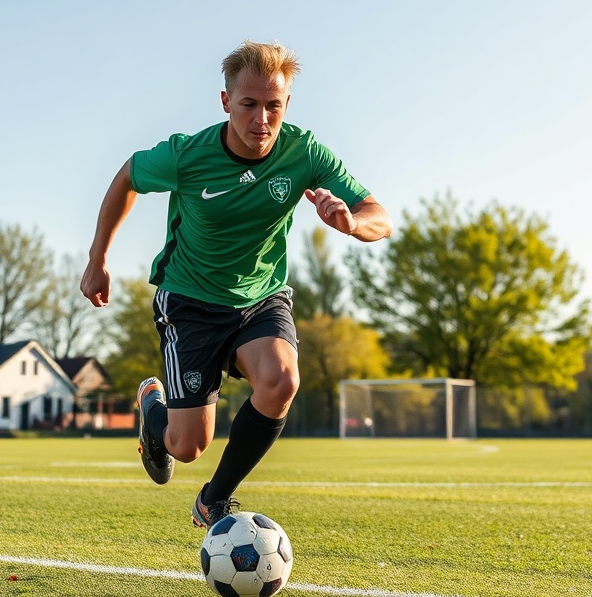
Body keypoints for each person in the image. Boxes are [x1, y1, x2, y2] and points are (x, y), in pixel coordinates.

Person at [80, 40, 392, 528]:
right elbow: (127, 178)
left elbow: (381, 217)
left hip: (261, 298)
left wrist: (352, 223)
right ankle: (155, 412)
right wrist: (98, 259)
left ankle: (214, 500)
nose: (262, 119)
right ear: (226, 102)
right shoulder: (187, 156)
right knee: (187, 446)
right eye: (249, 104)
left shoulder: (304, 152)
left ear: (287, 104)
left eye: (274, 105)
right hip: (190, 300)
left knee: (282, 379)